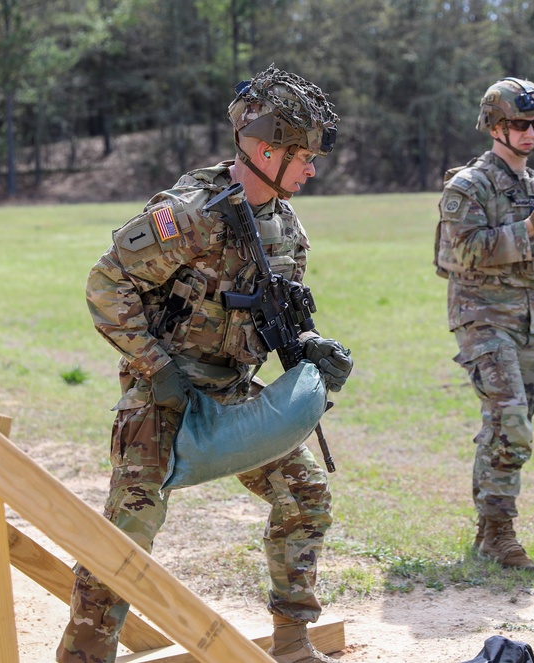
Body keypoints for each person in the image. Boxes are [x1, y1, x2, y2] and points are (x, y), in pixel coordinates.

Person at [57, 65, 353, 663]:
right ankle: (84, 656)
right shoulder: (192, 213)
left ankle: (294, 644)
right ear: (266, 150)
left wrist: (313, 355)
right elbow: (105, 283)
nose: (313, 168)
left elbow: (280, 316)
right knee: (125, 533)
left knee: (306, 495)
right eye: (305, 156)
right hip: (161, 395)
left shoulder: (285, 227)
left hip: (235, 392)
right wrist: (154, 366)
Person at [434, 77, 534, 571]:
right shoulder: (468, 187)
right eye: (520, 124)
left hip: (530, 325)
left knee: (504, 430)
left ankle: (488, 529)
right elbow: (459, 254)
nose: (530, 133)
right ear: (494, 127)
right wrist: (527, 228)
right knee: (512, 425)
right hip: (482, 321)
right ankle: (503, 536)